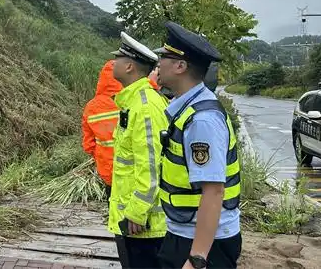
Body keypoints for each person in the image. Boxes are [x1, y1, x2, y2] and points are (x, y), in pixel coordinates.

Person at [154, 21, 242, 269]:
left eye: (164, 58)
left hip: (203, 242)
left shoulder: (202, 120)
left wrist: (197, 259)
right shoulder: (188, 108)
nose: (158, 64)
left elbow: (213, 191)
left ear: (180, 66)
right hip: (184, 230)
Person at [108, 32, 169, 269]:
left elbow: (152, 164)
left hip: (143, 224)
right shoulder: (133, 102)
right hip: (135, 220)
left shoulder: (144, 107)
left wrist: (137, 210)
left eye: (118, 58)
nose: (113, 62)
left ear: (129, 66)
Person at [81, 60, 123, 198]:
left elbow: (88, 145)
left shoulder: (91, 107)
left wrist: (101, 157)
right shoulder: (128, 101)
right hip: (131, 170)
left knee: (113, 204)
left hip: (107, 170)